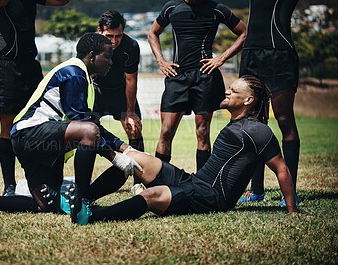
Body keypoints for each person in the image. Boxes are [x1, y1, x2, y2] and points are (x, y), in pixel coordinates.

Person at [0, 33, 141, 222]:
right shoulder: (74, 73)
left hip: (37, 142)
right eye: (107, 57)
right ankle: (82, 202)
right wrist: (115, 156)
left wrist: (124, 148)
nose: (111, 62)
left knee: (45, 205)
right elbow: (86, 127)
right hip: (30, 134)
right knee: (88, 131)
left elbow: (90, 122)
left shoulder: (84, 76)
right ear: (91, 56)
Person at [69, 75, 298, 225]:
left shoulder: (258, 131)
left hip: (211, 197)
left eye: (233, 90)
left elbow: (281, 169)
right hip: (194, 181)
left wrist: (291, 210)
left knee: (150, 196)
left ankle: (92, 217)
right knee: (133, 159)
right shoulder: (238, 123)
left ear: (248, 100)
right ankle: (83, 198)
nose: (227, 92)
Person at [0, 0, 70, 196]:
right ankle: (9, 187)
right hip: (4, 65)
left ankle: (42, 181)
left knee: (39, 123)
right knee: (8, 128)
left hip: (30, 64)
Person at [148, 0, 246, 171]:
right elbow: (152, 33)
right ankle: (158, 183)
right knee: (165, 132)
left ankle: (202, 184)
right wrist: (161, 61)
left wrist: (221, 58)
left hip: (205, 76)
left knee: (202, 132)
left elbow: (244, 33)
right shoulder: (172, 7)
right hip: (177, 76)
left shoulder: (217, 9)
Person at [238, 0, 300, 207]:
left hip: (279, 53)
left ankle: (290, 193)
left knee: (284, 120)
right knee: (253, 121)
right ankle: (256, 191)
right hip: (251, 54)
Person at [94, 11, 145, 186]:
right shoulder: (90, 43)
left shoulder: (131, 46)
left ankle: (139, 182)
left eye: (119, 36)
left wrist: (130, 112)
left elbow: (131, 79)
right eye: (109, 36)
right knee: (84, 131)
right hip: (96, 91)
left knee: (135, 129)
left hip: (119, 92)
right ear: (99, 31)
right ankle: (82, 183)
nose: (114, 41)